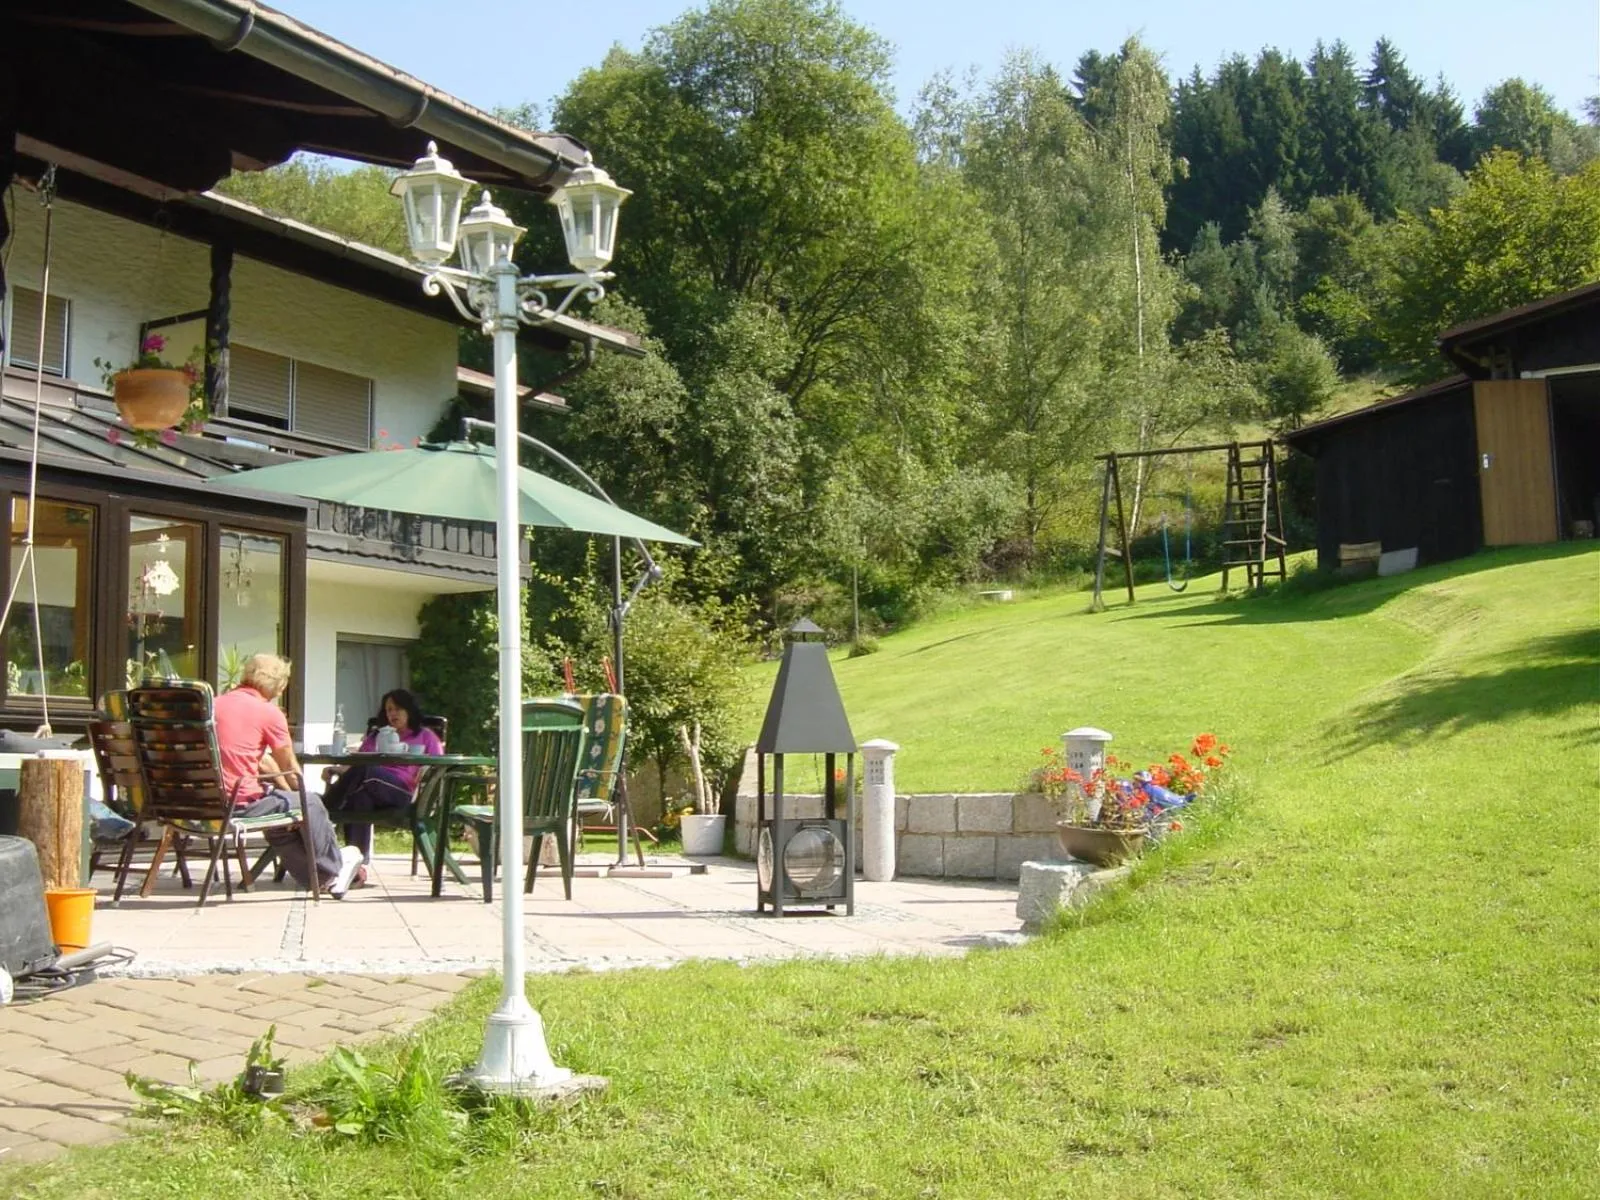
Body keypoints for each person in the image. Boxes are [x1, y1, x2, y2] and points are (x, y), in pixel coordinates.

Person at [213, 653, 363, 897]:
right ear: (279, 685)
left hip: (200, 804)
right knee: (311, 802)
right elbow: (292, 771)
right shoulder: (268, 713)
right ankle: (337, 868)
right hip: (237, 805)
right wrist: (296, 792)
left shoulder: (214, 705)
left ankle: (324, 879)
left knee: (280, 825)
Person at [322, 688, 442, 864]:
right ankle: (356, 867)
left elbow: (438, 766)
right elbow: (357, 764)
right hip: (372, 785)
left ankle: (325, 807)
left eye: (397, 709)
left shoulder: (425, 736)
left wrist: (424, 773)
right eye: (388, 710)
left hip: (402, 792)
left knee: (367, 770)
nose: (392, 714)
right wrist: (337, 770)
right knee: (359, 798)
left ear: (409, 710)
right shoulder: (377, 735)